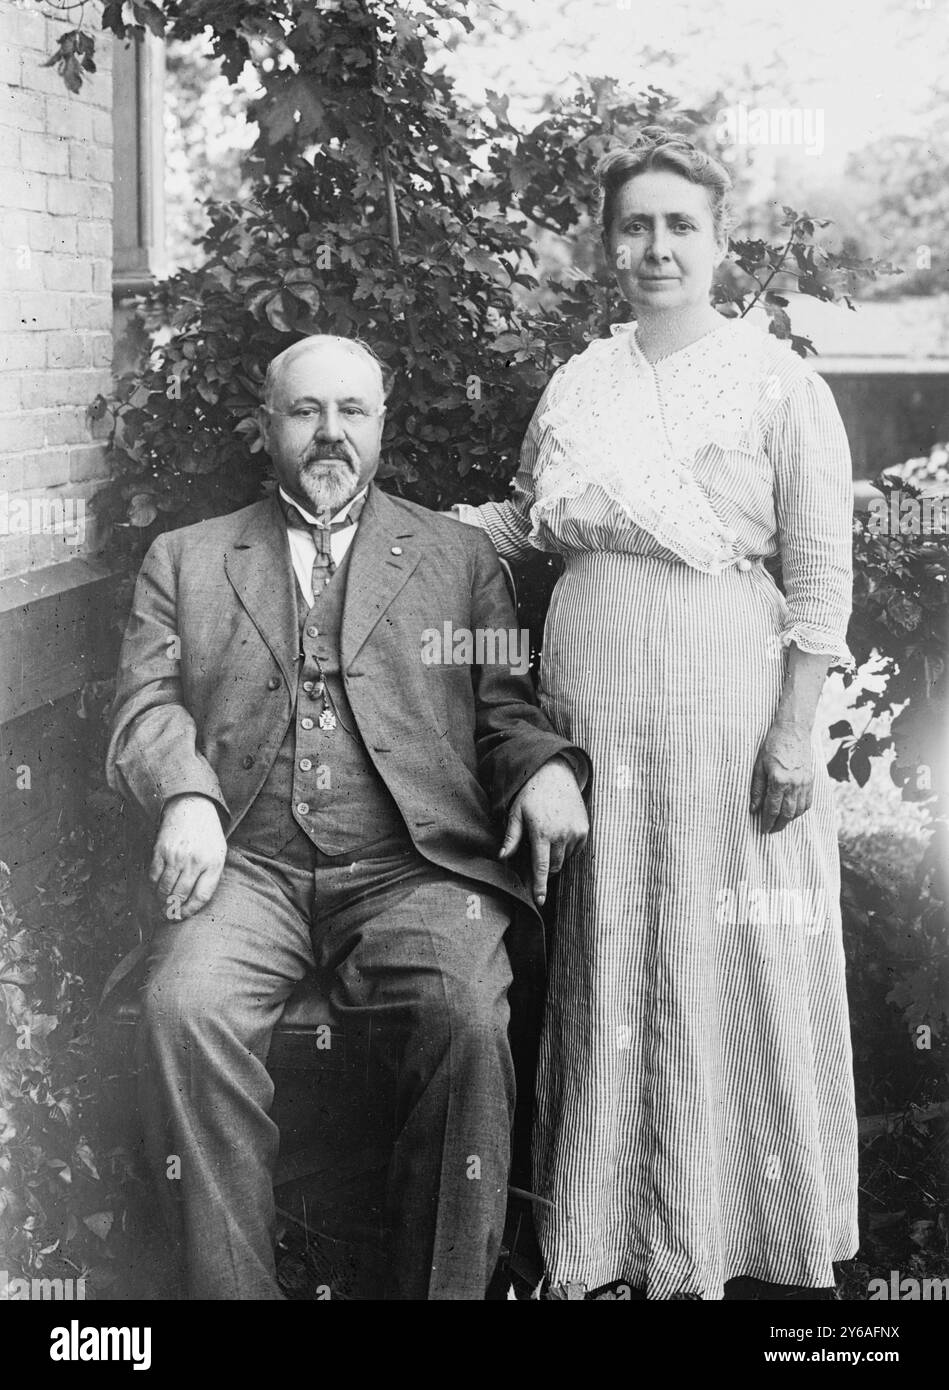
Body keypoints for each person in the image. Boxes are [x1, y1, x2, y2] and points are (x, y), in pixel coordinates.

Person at [452, 127, 859, 1300]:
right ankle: (605, 1243)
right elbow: (535, 528)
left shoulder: (780, 382)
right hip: (595, 728)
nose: (657, 245)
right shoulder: (578, 381)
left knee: (734, 954)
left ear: (720, 241)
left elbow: (820, 584)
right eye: (635, 224)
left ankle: (748, 1241)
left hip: (729, 724)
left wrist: (794, 730)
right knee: (608, 956)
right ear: (605, 243)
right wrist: (416, 533)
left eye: (681, 223)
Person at [106, 333, 589, 1301]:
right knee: (182, 1008)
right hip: (250, 866)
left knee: (461, 1017)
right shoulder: (189, 558)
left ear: (382, 422)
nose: (330, 433)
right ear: (267, 423)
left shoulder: (457, 558)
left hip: (412, 869)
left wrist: (541, 767)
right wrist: (187, 794)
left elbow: (502, 703)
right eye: (305, 411)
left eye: (352, 411)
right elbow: (145, 708)